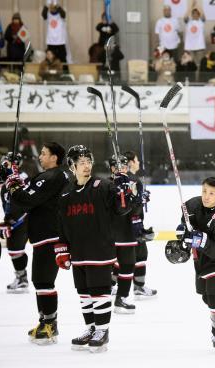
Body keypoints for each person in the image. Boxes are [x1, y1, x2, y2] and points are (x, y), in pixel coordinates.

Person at [56, 145, 135, 353]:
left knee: (100, 292)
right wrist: (62, 249)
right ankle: (91, 328)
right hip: (78, 254)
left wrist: (124, 190)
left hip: (100, 251)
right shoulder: (66, 194)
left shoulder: (104, 185)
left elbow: (122, 208)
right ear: (72, 166)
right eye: (81, 162)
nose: (86, 165)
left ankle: (102, 330)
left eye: (88, 161)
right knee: (84, 293)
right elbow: (62, 224)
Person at [5, 142, 69, 345]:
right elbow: (29, 193)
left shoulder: (52, 176)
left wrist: (14, 185)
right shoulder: (54, 177)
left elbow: (25, 199)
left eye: (43, 154)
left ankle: (50, 325)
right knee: (41, 281)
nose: (40, 157)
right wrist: (13, 177)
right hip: (47, 235)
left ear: (54, 158)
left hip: (49, 236)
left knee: (43, 281)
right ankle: (45, 322)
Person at [174, 177, 215, 348]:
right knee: (205, 295)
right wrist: (183, 238)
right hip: (203, 258)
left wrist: (199, 240)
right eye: (204, 191)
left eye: (211, 193)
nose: (206, 196)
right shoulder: (191, 206)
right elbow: (187, 227)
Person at [123, 151, 157, 299]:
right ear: (130, 162)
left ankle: (113, 286)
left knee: (124, 256)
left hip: (126, 224)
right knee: (140, 254)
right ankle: (138, 287)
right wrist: (141, 199)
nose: (138, 163)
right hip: (132, 224)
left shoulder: (124, 179)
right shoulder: (133, 180)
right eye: (136, 160)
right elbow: (132, 205)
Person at [108, 155, 138, 314]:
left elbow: (135, 208)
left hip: (127, 233)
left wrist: (139, 198)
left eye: (125, 167)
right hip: (110, 234)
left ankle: (121, 299)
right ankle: (104, 298)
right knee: (107, 267)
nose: (123, 169)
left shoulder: (133, 182)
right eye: (119, 167)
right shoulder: (106, 185)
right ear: (112, 169)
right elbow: (118, 209)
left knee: (127, 265)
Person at [0, 153, 29, 293]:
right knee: (13, 249)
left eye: (6, 162)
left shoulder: (21, 178)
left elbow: (23, 202)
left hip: (20, 219)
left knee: (15, 249)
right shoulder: (7, 177)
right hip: (12, 218)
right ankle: (21, 277)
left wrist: (12, 221)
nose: (3, 164)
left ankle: (22, 278)